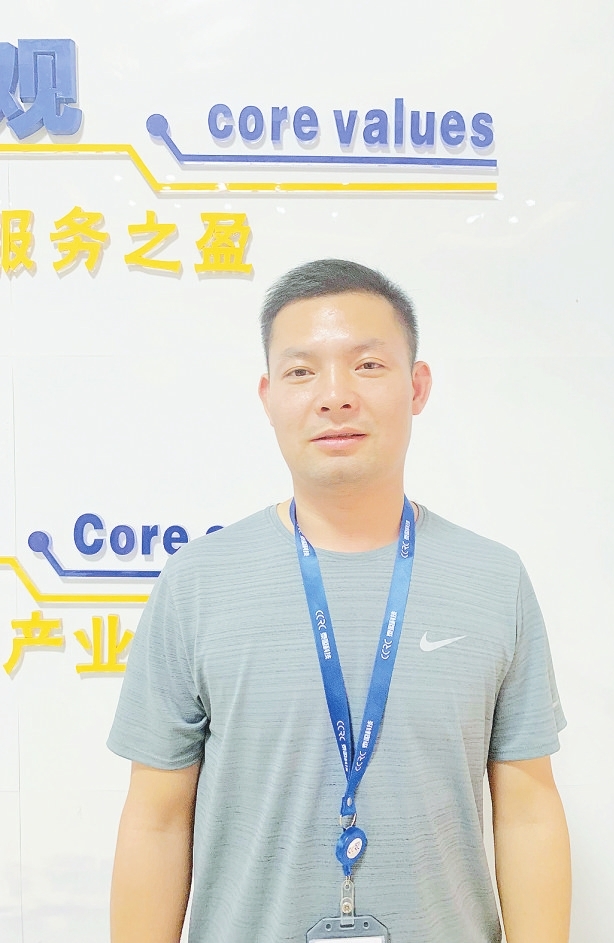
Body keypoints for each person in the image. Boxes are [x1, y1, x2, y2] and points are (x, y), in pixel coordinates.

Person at [108, 258, 571, 943]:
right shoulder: (197, 582)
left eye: (367, 365)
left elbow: (528, 809)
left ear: (417, 386)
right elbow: (156, 818)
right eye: (302, 371)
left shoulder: (492, 578)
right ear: (268, 396)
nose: (334, 396)